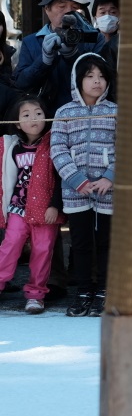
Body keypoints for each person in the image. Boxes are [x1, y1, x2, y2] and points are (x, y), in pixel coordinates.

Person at [51, 54, 117, 317]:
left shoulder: (115, 111)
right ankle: (82, 292)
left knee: (105, 243)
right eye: (89, 76)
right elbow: (57, 149)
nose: (96, 81)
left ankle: (103, 291)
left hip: (108, 191)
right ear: (78, 80)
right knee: (80, 244)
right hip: (75, 192)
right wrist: (77, 180)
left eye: (101, 76)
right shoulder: (64, 113)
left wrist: (110, 176)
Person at [0, 97, 64, 314]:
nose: (34, 119)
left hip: (46, 210)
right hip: (18, 207)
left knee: (43, 250)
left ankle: (36, 294)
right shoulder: (13, 147)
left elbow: (60, 178)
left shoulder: (54, 144)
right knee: (10, 244)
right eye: (26, 115)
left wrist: (55, 206)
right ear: (18, 123)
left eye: (38, 113)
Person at [15, 0, 109, 113]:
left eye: (74, 7)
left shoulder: (94, 38)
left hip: (84, 116)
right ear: (47, 9)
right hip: (45, 119)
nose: (68, 12)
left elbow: (102, 80)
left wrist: (73, 56)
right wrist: (44, 61)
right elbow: (20, 84)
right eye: (61, 6)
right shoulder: (31, 42)